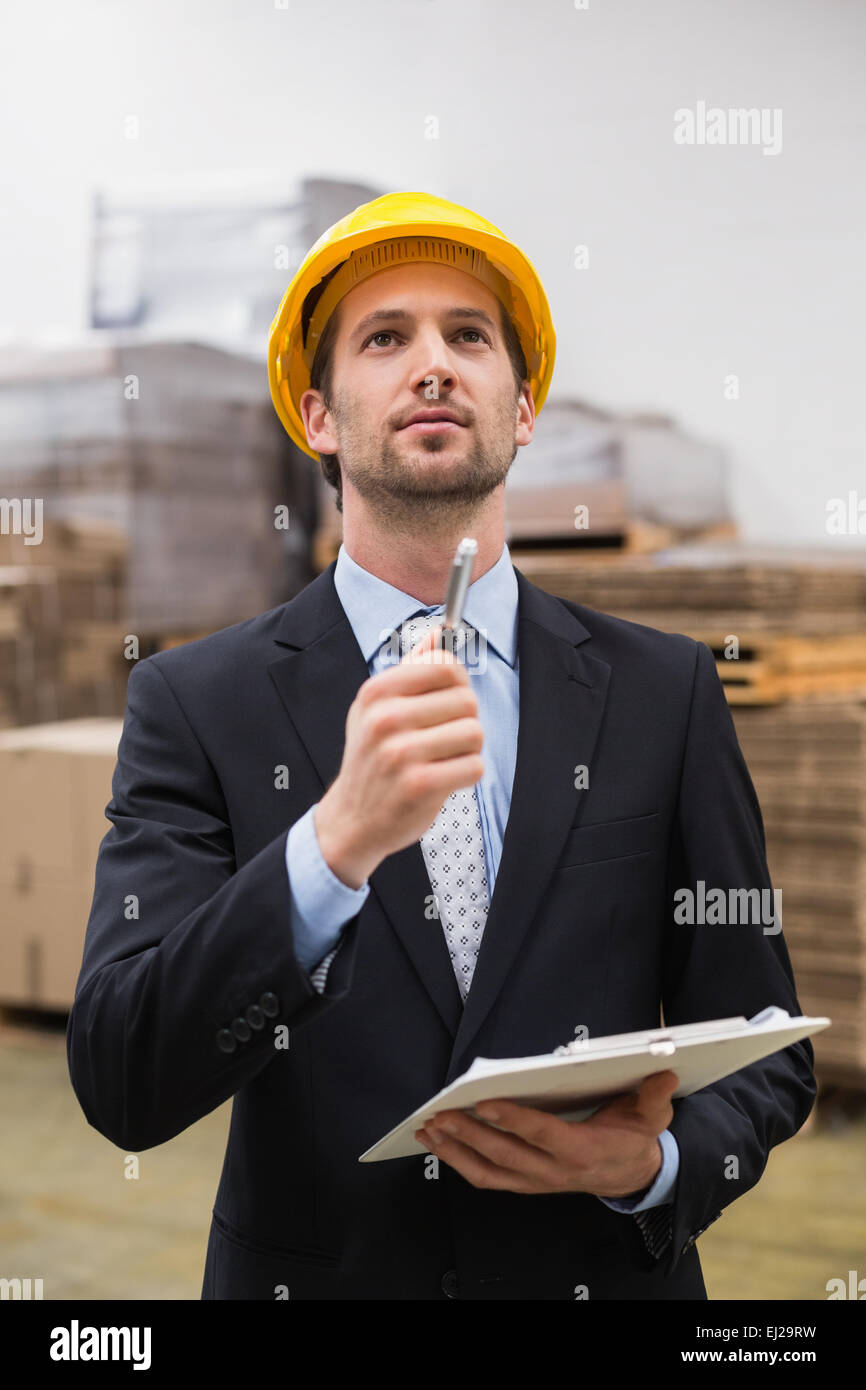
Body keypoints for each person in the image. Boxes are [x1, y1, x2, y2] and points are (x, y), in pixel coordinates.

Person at [67, 191, 815, 1301]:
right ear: (317, 417)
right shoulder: (194, 701)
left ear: (522, 411)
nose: (432, 365)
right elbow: (125, 1073)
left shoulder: (662, 691)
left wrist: (651, 1162)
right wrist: (330, 848)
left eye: (468, 336)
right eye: (385, 337)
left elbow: (766, 1042)